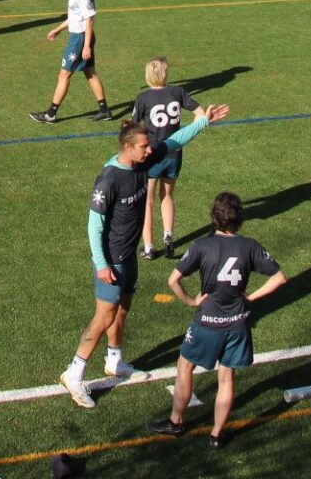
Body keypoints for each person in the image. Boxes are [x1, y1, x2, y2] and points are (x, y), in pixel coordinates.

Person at [57, 102, 233, 410]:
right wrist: (101, 265)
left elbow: (175, 141)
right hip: (111, 260)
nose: (149, 150)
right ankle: (74, 373)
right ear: (127, 148)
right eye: (143, 146)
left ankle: (115, 361)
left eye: (148, 145)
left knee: (122, 309)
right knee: (104, 316)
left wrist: (204, 121)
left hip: (128, 257)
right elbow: (93, 227)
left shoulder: (142, 163)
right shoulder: (109, 180)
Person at [149, 191, 287, 446]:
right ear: (240, 219)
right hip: (238, 323)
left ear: (214, 218)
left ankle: (176, 421)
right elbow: (280, 277)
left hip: (206, 322)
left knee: (184, 367)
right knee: (226, 377)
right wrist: (252, 297)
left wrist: (192, 301)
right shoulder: (250, 246)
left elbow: (173, 280)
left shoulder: (202, 246)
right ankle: (216, 435)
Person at [132, 56, 199, 259]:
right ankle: (168, 237)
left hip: (151, 155)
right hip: (174, 153)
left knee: (147, 201)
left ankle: (149, 247)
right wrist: (185, 134)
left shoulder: (143, 98)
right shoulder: (177, 92)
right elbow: (201, 113)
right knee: (167, 195)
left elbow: (133, 128)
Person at [31, 0, 108, 124]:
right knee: (90, 72)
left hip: (80, 38)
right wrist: (58, 29)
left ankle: (50, 114)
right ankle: (104, 110)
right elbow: (75, 17)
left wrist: (86, 45)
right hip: (80, 36)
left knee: (64, 74)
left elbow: (90, 18)